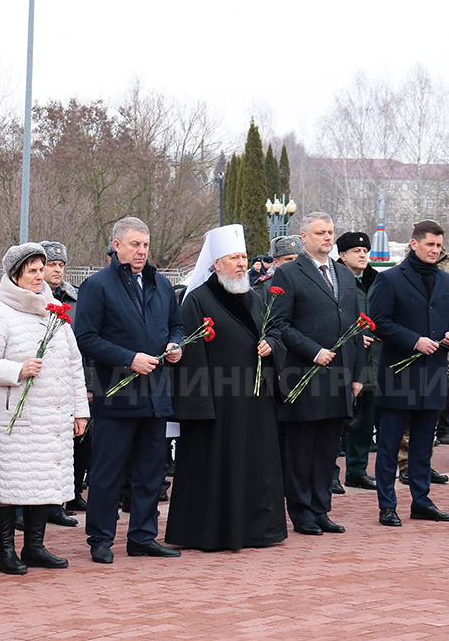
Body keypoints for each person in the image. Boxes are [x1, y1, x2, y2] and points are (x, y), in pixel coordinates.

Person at [166, 224, 287, 551]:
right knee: (217, 469)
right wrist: (201, 406)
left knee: (256, 466)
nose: (241, 263)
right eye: (233, 257)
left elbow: (275, 331)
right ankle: (214, 533)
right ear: (216, 263)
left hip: (255, 401)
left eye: (244, 257)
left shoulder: (254, 296)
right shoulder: (197, 301)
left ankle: (258, 531)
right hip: (218, 405)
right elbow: (191, 356)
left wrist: (271, 346)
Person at [0, 243, 89, 573]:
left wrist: (80, 411)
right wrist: (17, 370)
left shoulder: (56, 311)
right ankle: (4, 551)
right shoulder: (0, 313)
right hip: (17, 418)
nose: (40, 276)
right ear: (15, 276)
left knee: (45, 482)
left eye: (42, 270)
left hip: (51, 417)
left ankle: (35, 546)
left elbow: (73, 365)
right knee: (11, 485)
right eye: (32, 271)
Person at [75, 216, 185, 564]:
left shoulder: (161, 284)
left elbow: (177, 325)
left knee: (151, 471)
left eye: (146, 245)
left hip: (156, 395)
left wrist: (176, 344)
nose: (142, 251)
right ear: (117, 246)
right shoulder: (97, 286)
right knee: (108, 471)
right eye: (135, 244)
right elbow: (86, 338)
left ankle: (142, 536)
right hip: (117, 395)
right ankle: (101, 538)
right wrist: (129, 359)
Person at [367, 220, 449, 527]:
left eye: (439, 246)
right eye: (429, 245)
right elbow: (378, 321)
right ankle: (387, 505)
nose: (435, 250)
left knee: (425, 444)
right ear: (414, 244)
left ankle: (421, 501)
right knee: (390, 445)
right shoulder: (391, 279)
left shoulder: (447, 281)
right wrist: (413, 341)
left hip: (434, 374)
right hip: (399, 374)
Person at [272, 212, 364, 536]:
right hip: (306, 375)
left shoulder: (344, 274)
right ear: (303, 236)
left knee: (328, 449)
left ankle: (321, 509)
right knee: (301, 450)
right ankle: (301, 513)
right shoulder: (288, 274)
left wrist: (358, 374)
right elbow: (279, 325)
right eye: (321, 232)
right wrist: (312, 350)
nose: (327, 237)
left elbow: (354, 326)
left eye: (331, 232)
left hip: (340, 376)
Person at [38, 239, 85, 523]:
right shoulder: (32, 297)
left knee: (67, 449)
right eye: (50, 264)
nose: (56, 270)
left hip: (68, 380)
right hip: (41, 382)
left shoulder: (75, 299)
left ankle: (60, 502)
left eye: (60, 265)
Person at [334, 231, 380, 492]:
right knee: (338, 421)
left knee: (365, 421)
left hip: (372, 360)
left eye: (365, 251)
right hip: (344, 360)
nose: (363, 255)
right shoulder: (334, 279)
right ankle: (331, 472)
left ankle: (357, 471)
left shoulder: (376, 280)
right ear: (342, 255)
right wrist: (351, 339)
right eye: (356, 252)